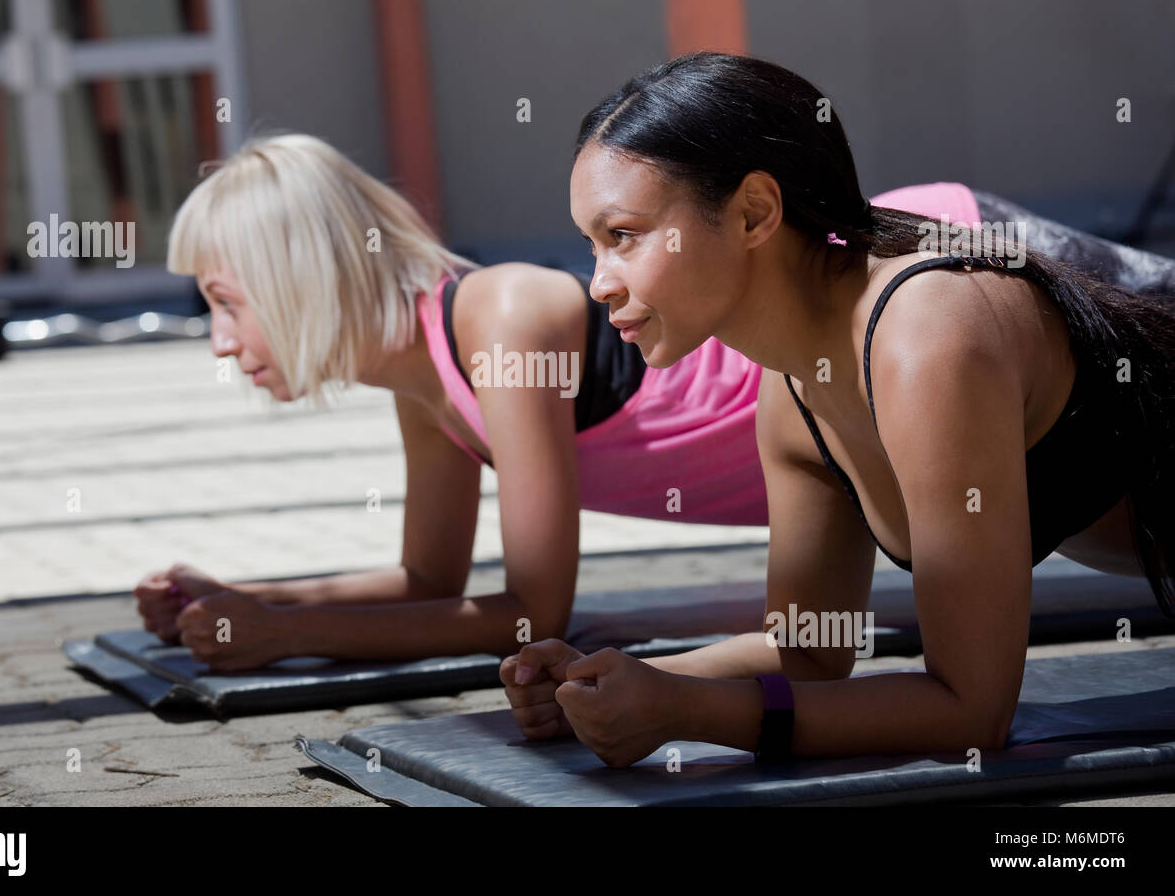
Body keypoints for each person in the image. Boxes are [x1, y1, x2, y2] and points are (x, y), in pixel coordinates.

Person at [503, 51, 1175, 767]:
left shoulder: (930, 333)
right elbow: (809, 650)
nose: (598, 283)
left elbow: (974, 711)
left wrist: (685, 710)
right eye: (592, 245)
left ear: (754, 213)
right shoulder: (794, 394)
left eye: (624, 236)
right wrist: (605, 681)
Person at [135, 132, 770, 671]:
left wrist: (285, 636)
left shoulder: (505, 316)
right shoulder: (423, 374)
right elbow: (428, 584)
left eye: (225, 302)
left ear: (294, 282)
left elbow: (534, 616)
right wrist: (240, 601)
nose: (219, 342)